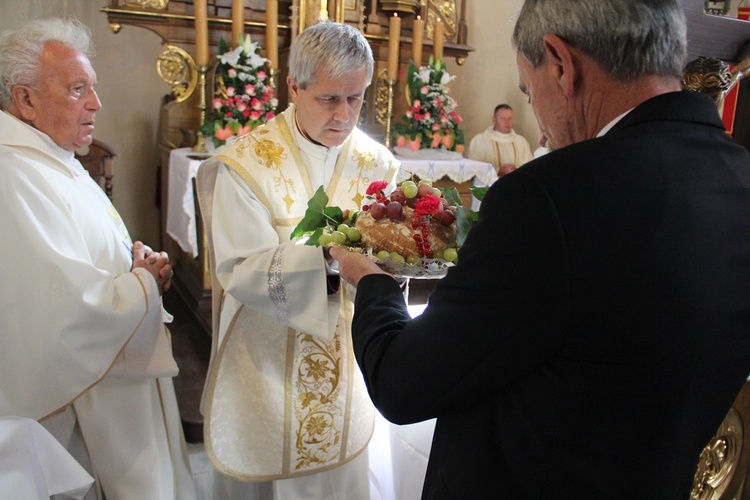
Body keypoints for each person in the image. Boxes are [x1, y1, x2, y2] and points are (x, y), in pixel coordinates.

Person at [330, 0, 750, 497]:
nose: (542, 126)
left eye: (529, 93)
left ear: (560, 63)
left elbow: (403, 384)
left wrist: (371, 279)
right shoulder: (739, 176)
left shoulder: (551, 197)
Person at [196, 21, 399, 499]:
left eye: (356, 98)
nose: (345, 115)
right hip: (263, 357)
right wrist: (329, 260)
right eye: (330, 99)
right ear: (294, 86)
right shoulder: (246, 165)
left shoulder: (378, 165)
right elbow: (240, 269)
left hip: (346, 354)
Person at [0, 18, 196, 500]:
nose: (96, 103)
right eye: (77, 89)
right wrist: (141, 284)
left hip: (116, 370)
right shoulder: (12, 173)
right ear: (25, 100)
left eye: (94, 87)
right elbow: (57, 311)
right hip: (86, 395)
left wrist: (141, 268)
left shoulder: (50, 156)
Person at [467, 103, 534, 177]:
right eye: (503, 118)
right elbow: (472, 168)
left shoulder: (521, 142)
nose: (507, 122)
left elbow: (530, 167)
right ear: (494, 120)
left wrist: (515, 171)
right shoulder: (479, 141)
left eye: (510, 118)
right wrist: (497, 171)